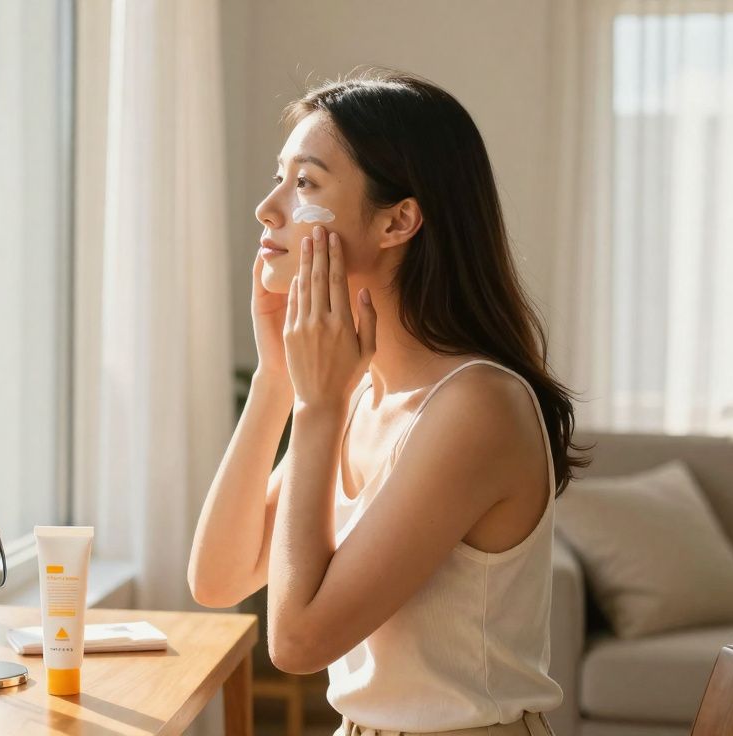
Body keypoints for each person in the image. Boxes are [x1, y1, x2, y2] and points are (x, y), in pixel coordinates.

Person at [187, 69, 589, 736]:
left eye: (306, 183)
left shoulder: (476, 408)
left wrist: (317, 410)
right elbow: (218, 579)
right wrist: (276, 382)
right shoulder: (364, 388)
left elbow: (296, 644)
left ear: (399, 219)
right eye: (279, 176)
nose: (269, 207)